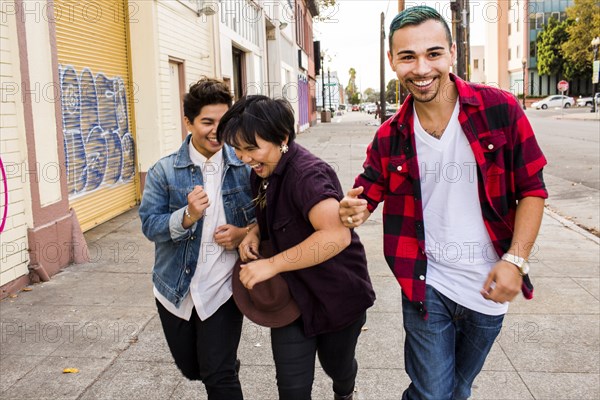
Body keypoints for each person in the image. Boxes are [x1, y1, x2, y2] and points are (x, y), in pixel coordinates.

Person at [339, 6, 547, 400]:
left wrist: (515, 260)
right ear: (392, 61)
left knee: (458, 389)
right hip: (425, 283)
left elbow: (532, 189)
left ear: (452, 53)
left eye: (433, 54)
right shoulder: (390, 136)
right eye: (407, 56)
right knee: (432, 392)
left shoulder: (499, 109)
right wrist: (354, 208)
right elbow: (365, 192)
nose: (421, 68)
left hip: (489, 284)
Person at [217, 95, 375, 400]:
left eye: (251, 148)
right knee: (291, 388)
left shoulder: (307, 175)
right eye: (237, 149)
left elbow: (336, 237)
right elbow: (277, 213)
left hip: (336, 296)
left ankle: (345, 391)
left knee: (337, 368)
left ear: (283, 138)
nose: (244, 158)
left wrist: (271, 264)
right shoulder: (262, 172)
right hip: (291, 299)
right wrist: (253, 230)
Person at [139, 78, 255, 400]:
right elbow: (150, 225)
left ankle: (223, 366)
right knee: (193, 369)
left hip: (223, 288)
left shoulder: (245, 167)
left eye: (224, 121)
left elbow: (269, 218)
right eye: (207, 122)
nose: (217, 130)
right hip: (175, 288)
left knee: (217, 377)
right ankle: (224, 363)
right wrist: (187, 216)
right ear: (188, 122)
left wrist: (243, 233)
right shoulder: (164, 171)